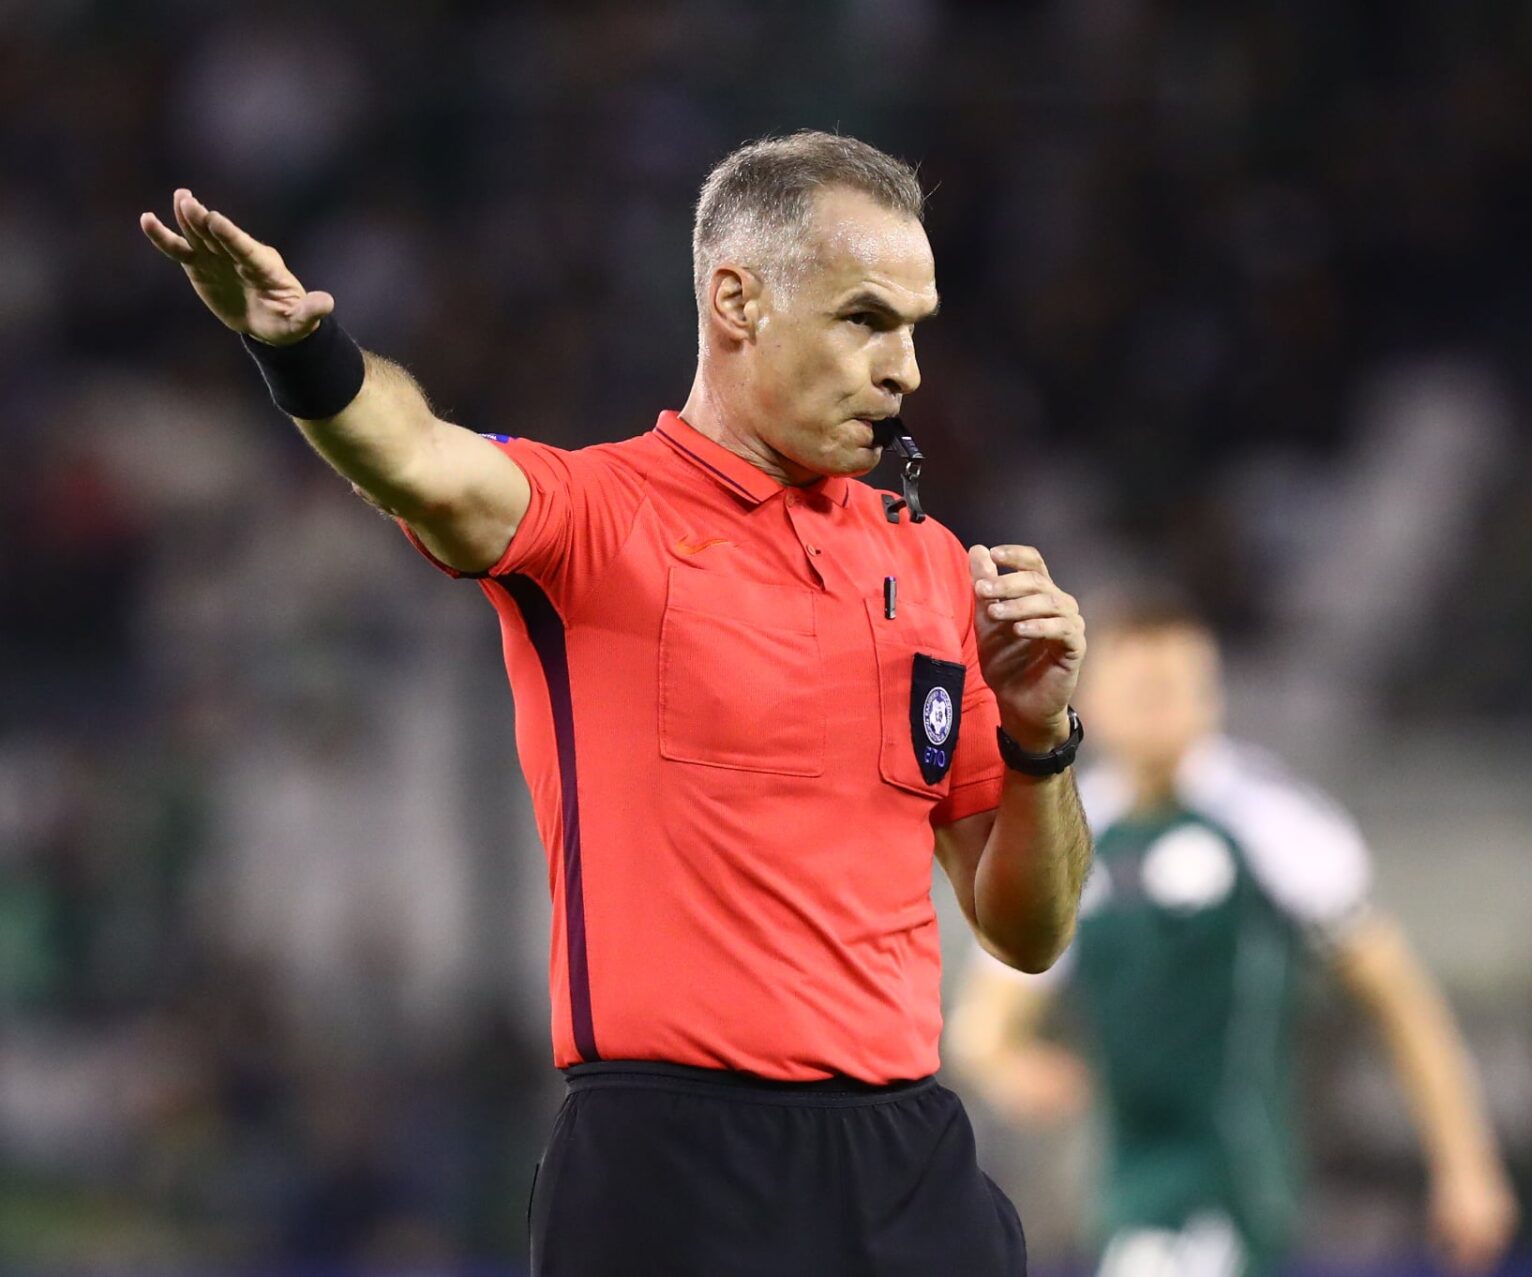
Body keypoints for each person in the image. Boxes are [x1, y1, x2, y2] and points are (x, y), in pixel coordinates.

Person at [141, 131, 1092, 1276]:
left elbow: (1027, 931)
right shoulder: (601, 517)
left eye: (914, 328)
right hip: (673, 1165)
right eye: (865, 319)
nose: (907, 370)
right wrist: (302, 347)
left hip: (907, 1160)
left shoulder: (936, 566)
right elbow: (421, 459)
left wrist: (1041, 735)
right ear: (737, 300)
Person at [949, 600, 1516, 1277]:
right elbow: (985, 1022)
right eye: (1140, 690)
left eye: (1174, 689)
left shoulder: (1274, 823)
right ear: (1090, 699)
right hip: (1124, 1186)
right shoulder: (1074, 829)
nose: (1158, 709)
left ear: (1211, 698)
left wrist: (1466, 1165)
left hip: (1237, 1178)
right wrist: (1008, 1066)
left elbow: (1399, 997)